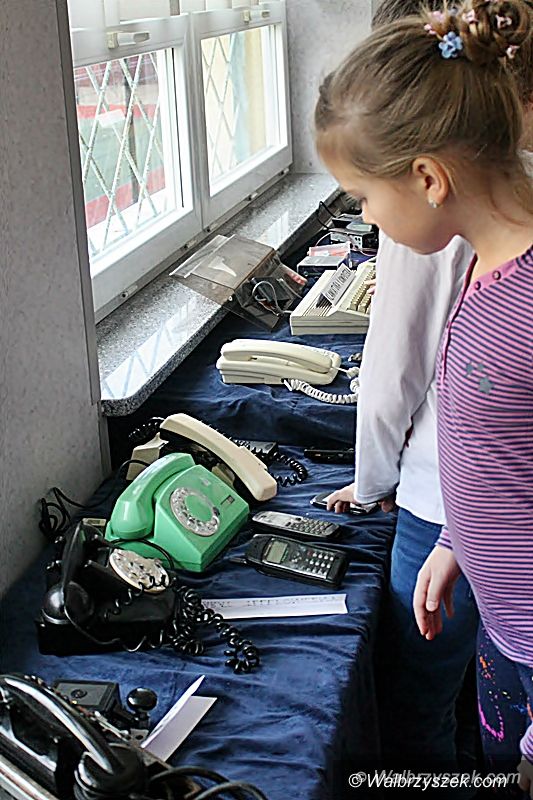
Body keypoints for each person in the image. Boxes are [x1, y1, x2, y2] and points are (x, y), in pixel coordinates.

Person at [315, 0, 533, 791]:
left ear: (428, 179)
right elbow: (505, 452)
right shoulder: (486, 264)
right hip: (504, 627)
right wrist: (455, 542)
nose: (364, 215)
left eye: (362, 197)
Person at [325, 0, 479, 774]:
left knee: (418, 704)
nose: (364, 215)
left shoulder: (439, 218)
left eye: (362, 199)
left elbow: (393, 373)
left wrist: (370, 483)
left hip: (446, 503)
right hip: (471, 525)